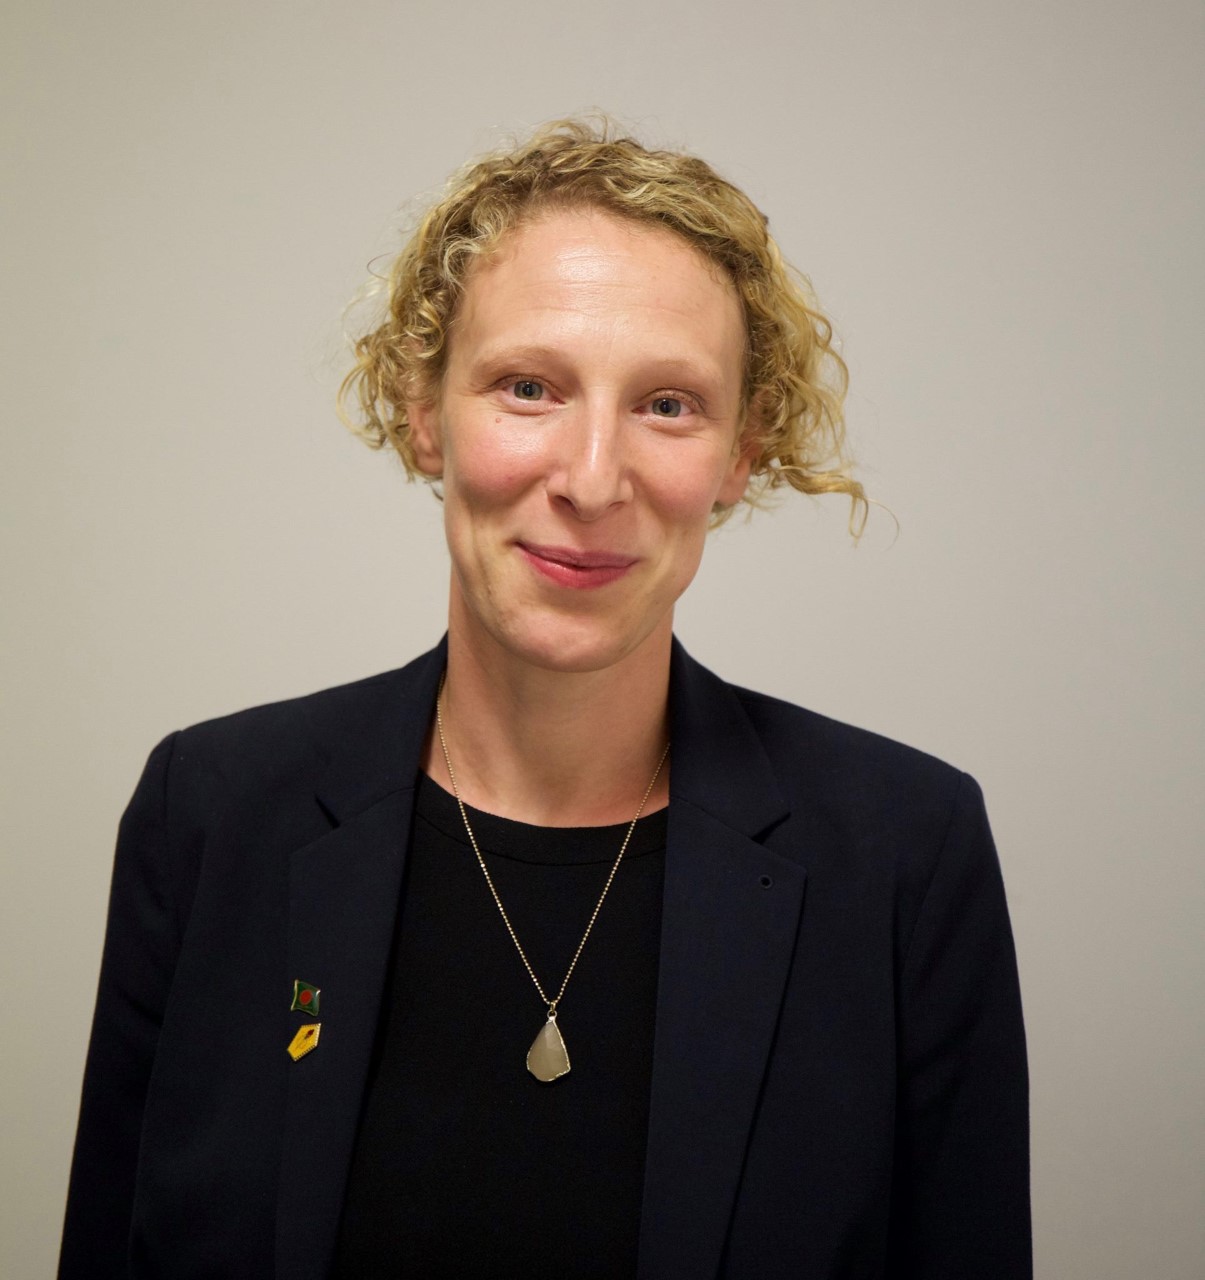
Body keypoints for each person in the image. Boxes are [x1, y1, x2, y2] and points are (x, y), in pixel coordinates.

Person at [60, 119, 1030, 1279]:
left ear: (738, 453)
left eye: (667, 403)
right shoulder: (211, 812)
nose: (588, 477)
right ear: (424, 411)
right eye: (528, 386)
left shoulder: (904, 855)